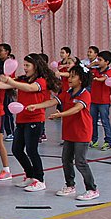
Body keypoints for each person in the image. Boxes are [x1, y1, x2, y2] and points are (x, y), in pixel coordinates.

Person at [0, 54, 60, 192]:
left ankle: (40, 179)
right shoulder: (23, 79)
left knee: (32, 150)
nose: (25, 68)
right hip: (21, 118)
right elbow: (6, 84)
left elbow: (29, 88)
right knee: (16, 149)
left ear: (35, 66)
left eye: (27, 65)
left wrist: (10, 81)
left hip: (35, 119)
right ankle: (30, 175)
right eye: (24, 65)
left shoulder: (41, 81)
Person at [32, 65, 99, 201]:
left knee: (80, 162)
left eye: (73, 76)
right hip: (69, 132)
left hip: (82, 133)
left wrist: (60, 114)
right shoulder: (67, 92)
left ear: (81, 80)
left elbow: (77, 108)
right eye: (70, 75)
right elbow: (53, 101)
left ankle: (92, 189)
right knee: (66, 160)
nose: (69, 78)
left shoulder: (85, 94)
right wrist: (37, 106)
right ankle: (70, 185)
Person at [89, 50, 111, 151]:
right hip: (93, 100)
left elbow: (103, 78)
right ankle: (94, 140)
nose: (98, 61)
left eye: (100, 60)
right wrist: (91, 66)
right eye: (97, 59)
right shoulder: (95, 70)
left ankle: (108, 141)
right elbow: (86, 72)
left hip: (104, 101)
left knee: (105, 121)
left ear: (107, 62)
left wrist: (96, 78)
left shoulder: (109, 71)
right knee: (92, 121)